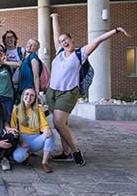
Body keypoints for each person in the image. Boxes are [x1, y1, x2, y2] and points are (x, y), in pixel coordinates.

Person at [47, 13, 130, 166]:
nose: (63, 42)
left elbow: (98, 40)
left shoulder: (80, 54)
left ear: (73, 40)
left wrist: (116, 30)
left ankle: (75, 151)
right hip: (52, 92)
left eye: (66, 40)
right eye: (61, 41)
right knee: (62, 123)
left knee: (58, 123)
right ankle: (66, 153)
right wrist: (55, 18)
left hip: (68, 92)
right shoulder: (59, 52)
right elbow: (56, 33)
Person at [11, 88, 55, 173]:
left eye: (32, 95)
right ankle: (27, 154)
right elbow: (13, 128)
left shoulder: (38, 109)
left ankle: (44, 163)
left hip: (36, 140)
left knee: (50, 134)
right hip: (23, 140)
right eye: (27, 94)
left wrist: (46, 129)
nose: (29, 97)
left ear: (35, 98)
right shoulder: (16, 109)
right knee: (18, 157)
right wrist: (20, 141)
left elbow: (43, 124)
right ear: (23, 96)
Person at [2, 30, 25, 103]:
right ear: (4, 40)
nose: (9, 39)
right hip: (7, 85)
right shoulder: (2, 52)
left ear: (15, 39)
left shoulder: (21, 50)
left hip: (20, 83)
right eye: (7, 38)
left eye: (11, 37)